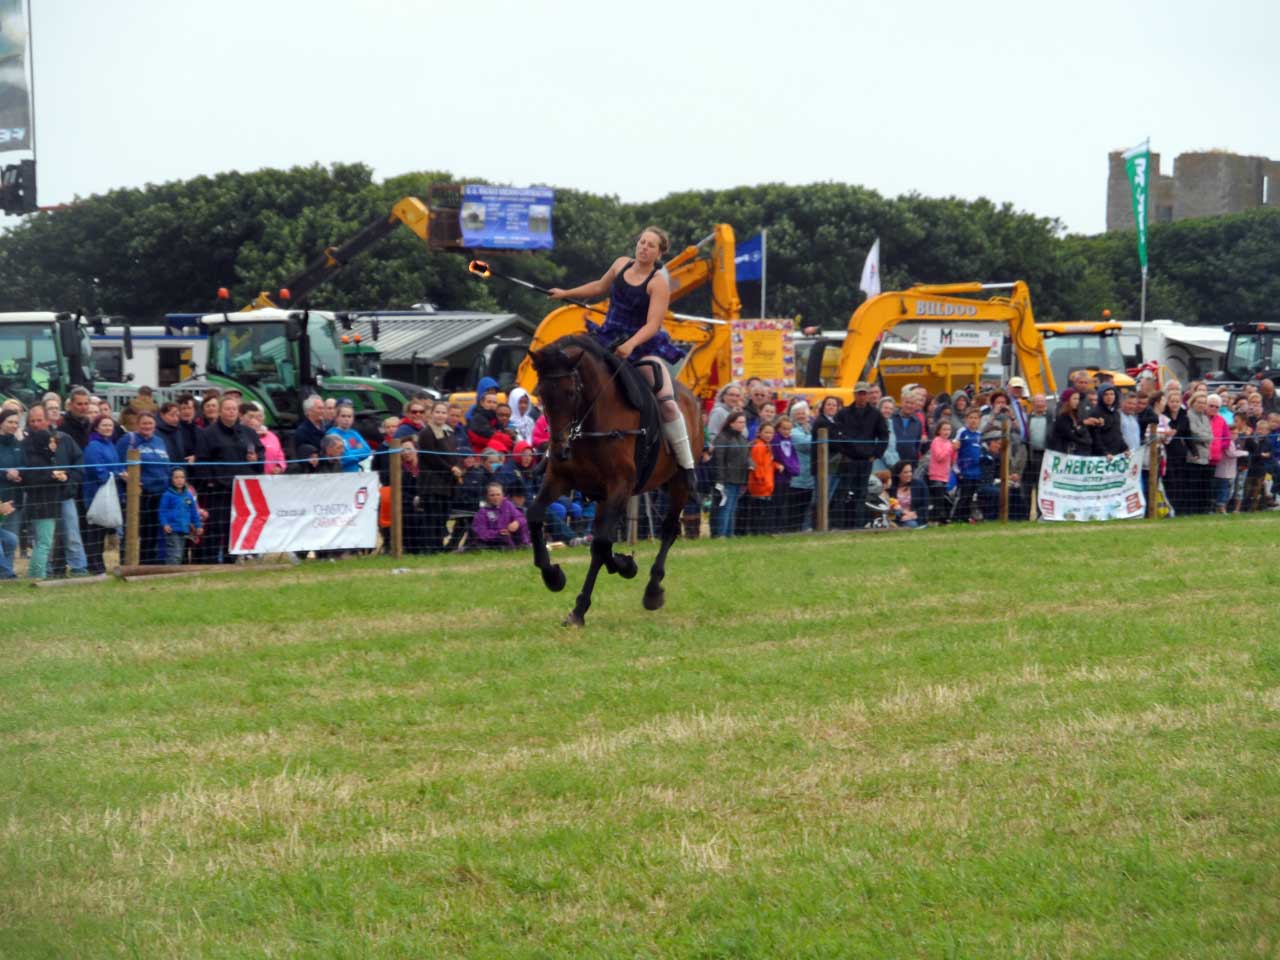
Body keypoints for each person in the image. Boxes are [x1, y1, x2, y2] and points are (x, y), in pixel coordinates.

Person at [549, 225, 698, 487]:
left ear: (659, 253)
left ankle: (687, 467)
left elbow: (653, 325)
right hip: (607, 338)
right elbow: (598, 286)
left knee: (668, 402)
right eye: (642, 242)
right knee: (572, 385)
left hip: (642, 347)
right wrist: (565, 294)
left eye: (651, 245)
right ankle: (554, 452)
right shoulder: (620, 265)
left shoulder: (658, 283)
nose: (644, 248)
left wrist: (630, 344)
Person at [194, 395, 264, 563]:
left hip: (243, 489)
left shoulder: (248, 433)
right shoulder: (208, 434)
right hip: (218, 489)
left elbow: (261, 454)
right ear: (220, 411)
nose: (231, 412)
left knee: (237, 526)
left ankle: (232, 560)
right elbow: (202, 460)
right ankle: (210, 562)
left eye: (234, 409)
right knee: (216, 527)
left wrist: (257, 459)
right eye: (227, 409)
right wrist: (209, 482)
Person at [116, 410, 173, 565]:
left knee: (153, 530)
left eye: (150, 423)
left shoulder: (159, 441)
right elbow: (118, 462)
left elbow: (166, 465)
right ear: (137, 424)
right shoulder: (129, 439)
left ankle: (148, 561)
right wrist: (128, 477)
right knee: (134, 528)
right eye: (144, 423)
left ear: (155, 425)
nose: (147, 426)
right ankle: (126, 561)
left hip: (160, 493)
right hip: (140, 494)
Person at [833, 382, 888, 529]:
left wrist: (875, 454)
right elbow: (836, 434)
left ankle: (858, 524)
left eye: (864, 393)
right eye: (859, 393)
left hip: (866, 460)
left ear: (868, 395)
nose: (862, 396)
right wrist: (843, 451)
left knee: (861, 493)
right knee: (843, 492)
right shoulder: (843, 413)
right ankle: (839, 525)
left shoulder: (876, 414)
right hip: (848, 460)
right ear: (854, 394)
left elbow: (883, 435)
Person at [417, 401, 461, 554]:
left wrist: (457, 467)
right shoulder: (426, 433)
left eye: (443, 412)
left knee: (442, 517)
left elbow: (453, 454)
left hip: (446, 483)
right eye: (438, 412)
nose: (440, 415)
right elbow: (432, 458)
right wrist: (451, 468)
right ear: (431, 413)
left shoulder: (449, 432)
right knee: (432, 517)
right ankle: (430, 548)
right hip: (431, 483)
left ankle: (438, 546)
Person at [81, 413, 122, 575]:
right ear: (97, 427)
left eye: (110, 425)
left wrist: (119, 473)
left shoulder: (110, 445)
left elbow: (116, 466)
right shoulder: (93, 446)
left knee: (102, 532)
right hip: (95, 494)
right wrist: (116, 475)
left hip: (109, 493)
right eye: (104, 425)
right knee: (94, 532)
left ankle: (99, 564)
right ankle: (94, 564)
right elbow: (97, 470)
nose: (107, 428)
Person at [20, 424, 62, 579]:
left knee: (42, 542)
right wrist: (52, 476)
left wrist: (61, 478)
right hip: (42, 506)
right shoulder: (36, 460)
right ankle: (38, 575)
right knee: (44, 543)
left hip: (47, 504)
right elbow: (33, 480)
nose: (54, 445)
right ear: (44, 442)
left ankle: (35, 573)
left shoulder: (48, 458)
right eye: (51, 441)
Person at [711, 411, 750, 538]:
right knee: (725, 508)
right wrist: (720, 480)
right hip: (727, 479)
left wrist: (751, 464)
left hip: (739, 478)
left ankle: (729, 534)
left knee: (732, 508)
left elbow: (746, 456)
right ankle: (721, 534)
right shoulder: (723, 437)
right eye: (739, 422)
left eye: (744, 422)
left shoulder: (742, 438)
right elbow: (719, 459)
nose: (742, 425)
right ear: (731, 423)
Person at [158, 467, 203, 565]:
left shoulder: (188, 495)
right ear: (171, 479)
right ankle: (170, 574)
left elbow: (193, 512)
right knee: (174, 554)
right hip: (172, 530)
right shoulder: (167, 495)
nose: (179, 480)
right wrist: (165, 524)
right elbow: (162, 512)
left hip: (184, 529)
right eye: (176, 477)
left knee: (180, 554)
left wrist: (198, 525)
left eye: (182, 477)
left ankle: (174, 575)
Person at [469, 482, 529, 549]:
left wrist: (517, 522)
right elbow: (481, 532)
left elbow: (521, 518)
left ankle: (524, 545)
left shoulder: (508, 505)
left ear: (503, 495)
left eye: (498, 495)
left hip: (511, 540)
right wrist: (499, 533)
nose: (496, 497)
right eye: (492, 495)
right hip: (492, 542)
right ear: (486, 496)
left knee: (523, 525)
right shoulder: (482, 512)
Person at [744, 421, 779, 535]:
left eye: (771, 433)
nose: (769, 435)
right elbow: (757, 466)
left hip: (767, 484)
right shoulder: (759, 446)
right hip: (760, 485)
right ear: (759, 433)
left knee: (762, 511)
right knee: (759, 511)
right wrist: (761, 480)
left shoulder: (767, 446)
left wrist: (776, 466)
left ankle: (761, 532)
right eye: (766, 432)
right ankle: (758, 532)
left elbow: (767, 463)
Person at [787, 402, 816, 531]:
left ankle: (805, 529)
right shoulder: (793, 431)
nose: (802, 416)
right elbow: (808, 444)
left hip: (810, 477)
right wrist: (816, 436)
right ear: (793, 416)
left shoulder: (809, 429)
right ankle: (794, 530)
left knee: (808, 505)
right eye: (798, 413)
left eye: (804, 413)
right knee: (796, 507)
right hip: (797, 477)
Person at [954, 407, 984, 524]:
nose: (973, 420)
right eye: (971, 418)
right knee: (964, 495)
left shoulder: (979, 435)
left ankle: (966, 517)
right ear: (966, 419)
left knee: (971, 495)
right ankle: (956, 516)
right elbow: (955, 445)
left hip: (976, 471)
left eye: (976, 418)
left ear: (979, 420)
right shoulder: (962, 432)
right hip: (964, 470)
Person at [926, 418, 958, 525]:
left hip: (945, 475)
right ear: (939, 430)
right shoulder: (936, 441)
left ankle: (940, 519)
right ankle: (937, 519)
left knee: (943, 499)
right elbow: (939, 457)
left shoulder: (949, 442)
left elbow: (952, 460)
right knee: (938, 500)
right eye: (944, 429)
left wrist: (955, 450)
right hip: (936, 475)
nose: (946, 432)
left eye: (948, 429)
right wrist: (950, 448)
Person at [325, 402, 372, 472]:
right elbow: (342, 458)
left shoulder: (354, 434)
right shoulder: (332, 434)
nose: (346, 419)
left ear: (353, 419)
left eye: (349, 416)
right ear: (337, 418)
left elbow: (367, 451)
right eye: (343, 416)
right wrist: (357, 454)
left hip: (355, 474)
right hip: (339, 474)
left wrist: (349, 453)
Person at [1048, 389, 1091, 455]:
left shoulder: (1076, 415)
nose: (1077, 401)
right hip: (1062, 453)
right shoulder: (1062, 417)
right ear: (1067, 400)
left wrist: (1083, 425)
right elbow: (1069, 434)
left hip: (1074, 452)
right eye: (1074, 399)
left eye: (1078, 399)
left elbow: (1078, 431)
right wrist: (1085, 442)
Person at [889, 461, 928, 528]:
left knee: (911, 524)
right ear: (898, 474)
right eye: (905, 472)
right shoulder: (892, 486)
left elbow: (925, 505)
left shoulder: (919, 484)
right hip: (897, 515)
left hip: (914, 516)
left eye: (910, 471)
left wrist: (912, 515)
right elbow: (891, 505)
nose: (909, 474)